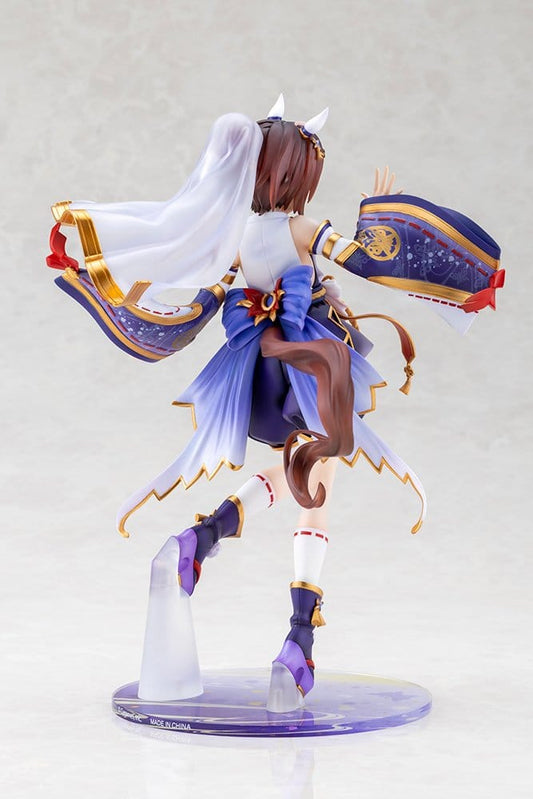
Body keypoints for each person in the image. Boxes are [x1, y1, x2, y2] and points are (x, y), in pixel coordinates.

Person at [46, 95, 503, 711]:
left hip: (261, 373)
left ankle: (204, 538)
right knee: (317, 489)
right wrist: (385, 212)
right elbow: (371, 259)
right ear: (295, 174)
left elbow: (215, 296)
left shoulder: (236, 237)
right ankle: (297, 640)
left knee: (300, 470)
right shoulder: (302, 229)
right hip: (310, 368)